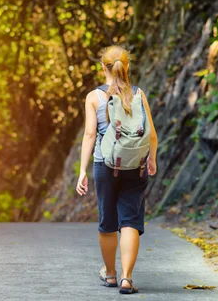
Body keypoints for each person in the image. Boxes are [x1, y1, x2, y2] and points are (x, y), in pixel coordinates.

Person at [75, 45, 158, 295]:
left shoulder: (94, 97)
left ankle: (110, 274)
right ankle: (127, 279)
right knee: (130, 221)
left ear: (103, 67)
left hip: (105, 164)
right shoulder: (138, 93)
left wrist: (82, 170)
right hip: (136, 165)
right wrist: (151, 159)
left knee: (107, 221)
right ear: (127, 66)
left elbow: (90, 134)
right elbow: (152, 134)